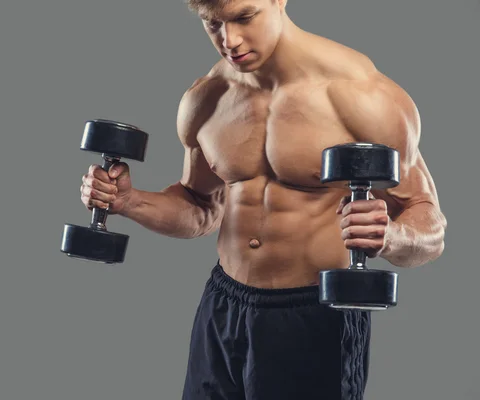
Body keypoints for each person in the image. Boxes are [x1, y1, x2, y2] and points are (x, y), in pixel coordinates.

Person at [80, 0, 447, 398]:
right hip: (223, 305)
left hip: (314, 313)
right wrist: (128, 201)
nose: (229, 41)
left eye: (244, 17)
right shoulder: (207, 98)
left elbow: (429, 226)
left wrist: (390, 236)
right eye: (213, 24)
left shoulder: (362, 96)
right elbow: (200, 207)